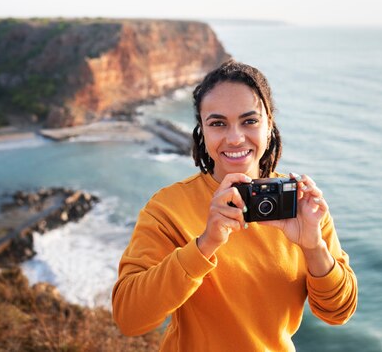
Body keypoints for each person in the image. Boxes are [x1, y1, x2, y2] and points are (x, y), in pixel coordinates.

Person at [112, 60, 357, 351]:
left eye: (249, 121)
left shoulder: (300, 204)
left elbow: (338, 312)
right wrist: (205, 245)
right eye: (218, 123)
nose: (235, 137)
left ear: (269, 125)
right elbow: (130, 318)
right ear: (202, 130)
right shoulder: (167, 208)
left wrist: (313, 246)